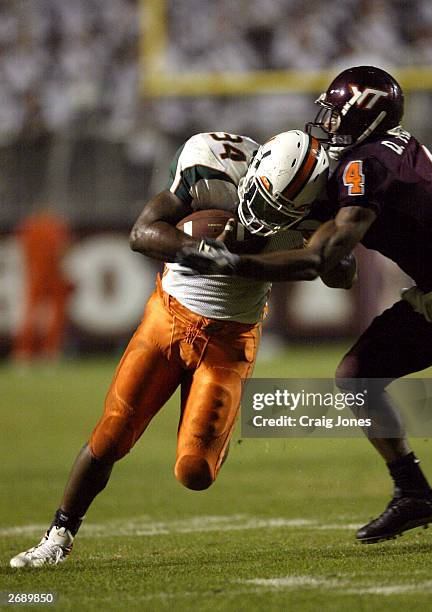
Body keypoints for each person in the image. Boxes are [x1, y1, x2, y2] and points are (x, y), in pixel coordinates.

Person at [178, 66, 432, 544]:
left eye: (336, 113)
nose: (325, 122)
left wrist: (236, 263)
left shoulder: (366, 163)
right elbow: (338, 262)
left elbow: (323, 260)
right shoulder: (380, 152)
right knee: (358, 376)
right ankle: (413, 492)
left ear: (365, 117)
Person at [9, 130, 329, 568]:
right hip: (169, 318)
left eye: (283, 213)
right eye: (263, 200)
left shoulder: (321, 205)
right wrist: (196, 250)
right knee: (111, 434)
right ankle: (57, 536)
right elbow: (142, 233)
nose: (265, 216)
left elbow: (339, 267)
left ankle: (213, 433)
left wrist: (246, 264)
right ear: (252, 173)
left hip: (230, 339)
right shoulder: (212, 164)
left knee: (194, 472)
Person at [13, 206, 71, 364]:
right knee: (54, 314)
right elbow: (63, 249)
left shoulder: (29, 226)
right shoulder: (55, 225)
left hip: (36, 272)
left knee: (31, 312)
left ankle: (25, 352)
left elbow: (22, 249)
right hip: (52, 273)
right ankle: (49, 351)